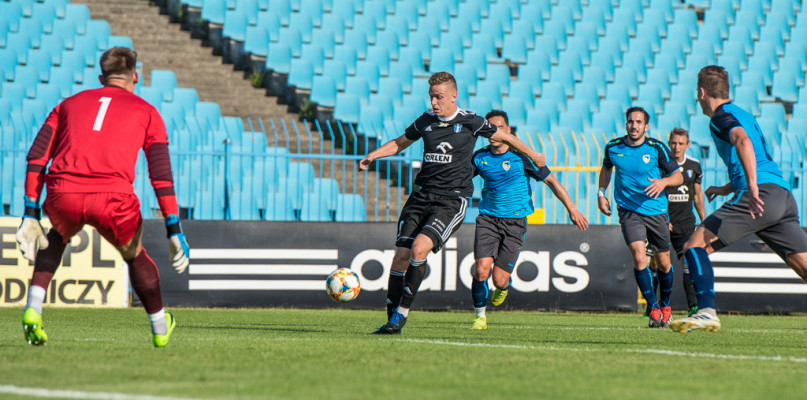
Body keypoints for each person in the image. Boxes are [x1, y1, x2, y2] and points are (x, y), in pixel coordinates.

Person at [15, 47, 190, 347]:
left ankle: (33, 308)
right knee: (134, 254)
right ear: (136, 76)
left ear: (101, 77)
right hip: (113, 198)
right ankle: (160, 327)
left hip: (63, 192)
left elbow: (37, 156)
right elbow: (160, 174)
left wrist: (30, 211)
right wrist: (173, 227)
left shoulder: (67, 104)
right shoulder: (148, 111)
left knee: (54, 237)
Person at [358, 72, 546, 335]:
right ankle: (391, 320)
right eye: (431, 97)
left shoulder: (471, 121)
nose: (434, 102)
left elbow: (506, 137)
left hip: (451, 201)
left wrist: (533, 153)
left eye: (439, 97)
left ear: (453, 96)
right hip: (421, 196)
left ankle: (401, 316)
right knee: (400, 256)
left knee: (419, 248)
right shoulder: (426, 121)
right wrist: (373, 155)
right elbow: (400, 143)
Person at [669, 66, 807, 334]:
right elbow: (754, 154)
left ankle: (706, 311)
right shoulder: (742, 113)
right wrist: (726, 187)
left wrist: (752, 188)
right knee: (804, 267)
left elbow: (742, 142)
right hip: (782, 196)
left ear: (701, 92)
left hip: (760, 195)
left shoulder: (720, 117)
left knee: (693, 246)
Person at [469, 110, 588, 330]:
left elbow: (552, 181)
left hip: (515, 223)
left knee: (499, 280)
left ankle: (505, 285)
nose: (495, 132)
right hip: (487, 219)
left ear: (509, 131)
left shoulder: (522, 158)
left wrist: (572, 208)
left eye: (500, 127)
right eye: (490, 128)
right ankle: (479, 317)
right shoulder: (480, 157)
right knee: (481, 269)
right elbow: (458, 177)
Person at [597, 106, 682, 328]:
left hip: (656, 211)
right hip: (629, 211)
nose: (634, 126)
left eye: (638, 122)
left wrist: (663, 182)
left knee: (663, 263)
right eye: (630, 121)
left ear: (646, 126)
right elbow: (606, 169)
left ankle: (666, 305)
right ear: (626, 124)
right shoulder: (614, 147)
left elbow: (678, 176)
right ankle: (653, 307)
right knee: (638, 254)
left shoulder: (656, 148)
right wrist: (601, 193)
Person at [647, 128, 705, 317]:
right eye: (673, 143)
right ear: (669, 143)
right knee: (656, 264)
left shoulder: (694, 166)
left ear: (687, 145)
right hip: (662, 222)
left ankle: (693, 306)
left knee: (686, 262)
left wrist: (704, 221)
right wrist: (662, 218)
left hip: (686, 224)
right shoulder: (662, 164)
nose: (676, 146)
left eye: (681, 143)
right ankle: (652, 307)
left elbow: (697, 196)